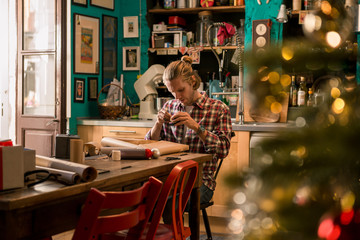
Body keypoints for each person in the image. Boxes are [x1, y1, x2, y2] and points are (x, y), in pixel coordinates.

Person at [145, 55, 232, 223]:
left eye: (181, 90)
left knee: (168, 203)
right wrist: (158, 123)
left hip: (201, 181)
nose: (177, 96)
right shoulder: (169, 106)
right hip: (169, 177)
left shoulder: (218, 109)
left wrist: (197, 128)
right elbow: (149, 145)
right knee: (143, 197)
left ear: (192, 82)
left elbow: (223, 150)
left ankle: (174, 234)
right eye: (172, 92)